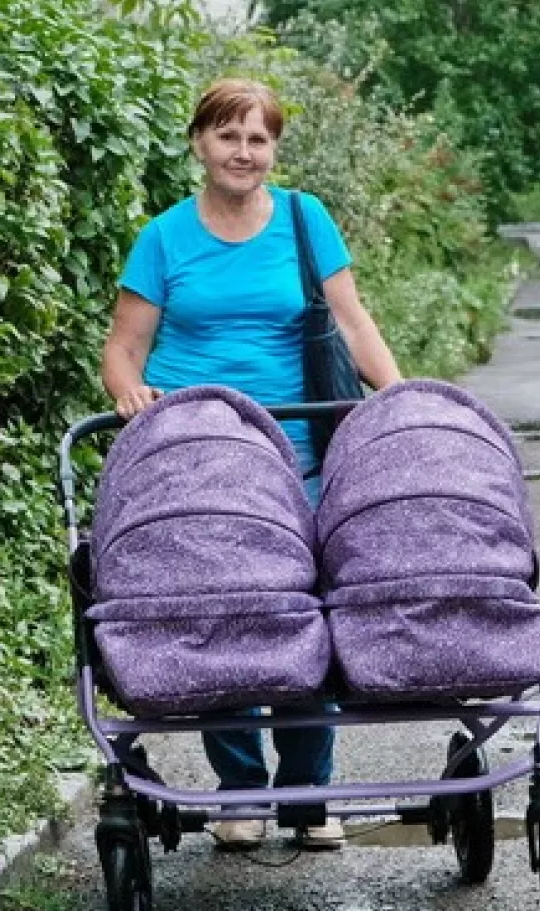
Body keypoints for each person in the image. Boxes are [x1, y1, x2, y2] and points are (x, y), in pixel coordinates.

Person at [101, 78, 404, 852]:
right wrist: (131, 395)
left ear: (273, 149)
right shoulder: (164, 238)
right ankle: (241, 792)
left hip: (301, 450)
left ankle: (307, 793)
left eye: (258, 138)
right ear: (199, 143)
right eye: (228, 136)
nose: (243, 152)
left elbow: (351, 318)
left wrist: (401, 400)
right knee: (220, 616)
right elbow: (125, 347)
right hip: (200, 458)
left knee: (309, 613)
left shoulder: (305, 220)